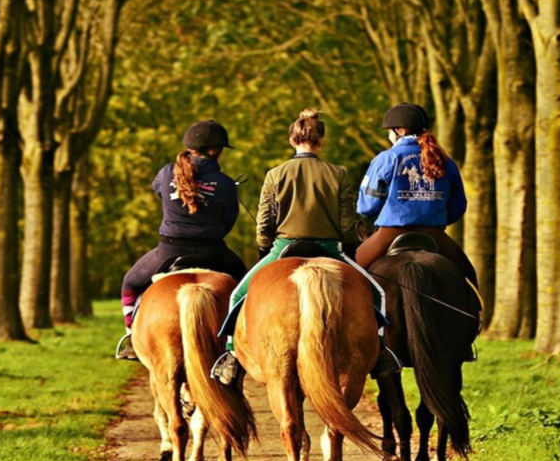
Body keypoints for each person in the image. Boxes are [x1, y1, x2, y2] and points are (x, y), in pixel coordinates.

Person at [212, 108, 400, 384]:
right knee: (377, 294)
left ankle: (230, 355)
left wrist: (265, 248)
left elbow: (265, 219)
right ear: (321, 141)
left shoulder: (275, 173)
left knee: (237, 295)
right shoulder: (338, 173)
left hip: (284, 246)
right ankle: (380, 351)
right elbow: (347, 219)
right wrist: (348, 248)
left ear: (292, 141)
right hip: (328, 247)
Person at [116, 120, 247, 360]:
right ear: (213, 151)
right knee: (247, 287)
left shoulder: (166, 173)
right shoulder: (226, 183)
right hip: (214, 251)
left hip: (169, 250)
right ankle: (241, 342)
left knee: (131, 283)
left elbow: (159, 192)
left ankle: (131, 338)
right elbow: (229, 221)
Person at [356, 102, 479, 289]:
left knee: (350, 276)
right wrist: (437, 217)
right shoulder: (445, 161)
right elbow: (458, 205)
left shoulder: (387, 158)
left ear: (401, 131)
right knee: (470, 279)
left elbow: (368, 206)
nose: (389, 135)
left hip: (390, 233)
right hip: (435, 233)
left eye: (390, 130)